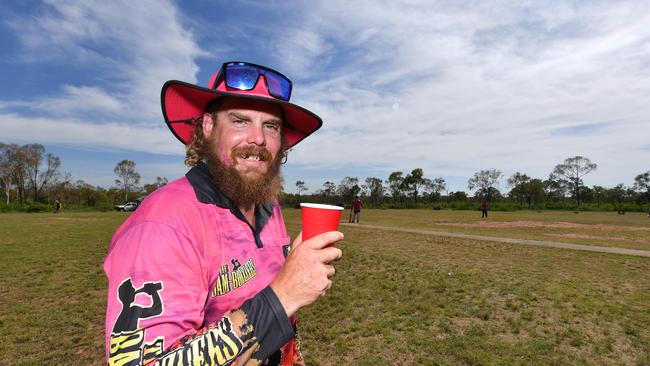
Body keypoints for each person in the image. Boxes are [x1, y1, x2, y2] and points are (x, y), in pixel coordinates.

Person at [104, 61, 343, 366]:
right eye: (240, 121)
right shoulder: (162, 224)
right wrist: (284, 295)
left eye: (270, 126)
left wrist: (293, 274)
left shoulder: (267, 205)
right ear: (208, 127)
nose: (258, 138)